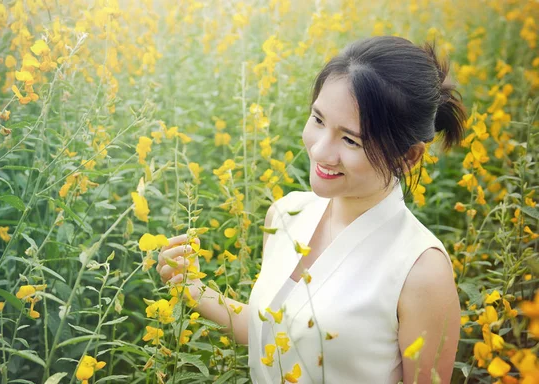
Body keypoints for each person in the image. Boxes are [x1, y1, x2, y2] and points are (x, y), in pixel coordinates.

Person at [157, 36, 464, 383]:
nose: (319, 150)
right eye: (318, 120)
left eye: (350, 140)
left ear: (407, 158)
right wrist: (194, 288)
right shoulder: (286, 215)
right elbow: (275, 333)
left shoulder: (421, 270)